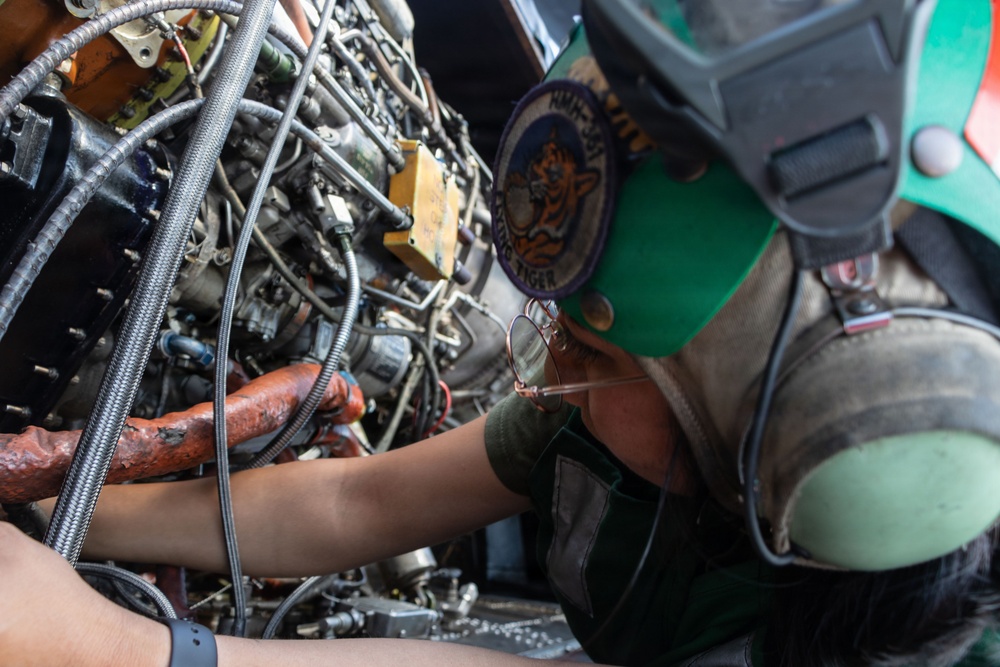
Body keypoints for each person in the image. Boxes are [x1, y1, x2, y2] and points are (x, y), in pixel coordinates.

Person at [2, 0, 1000, 665]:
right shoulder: (644, 428)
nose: (547, 368)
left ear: (783, 452)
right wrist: (70, 521)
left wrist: (126, 645)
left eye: (591, 356)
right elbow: (358, 501)